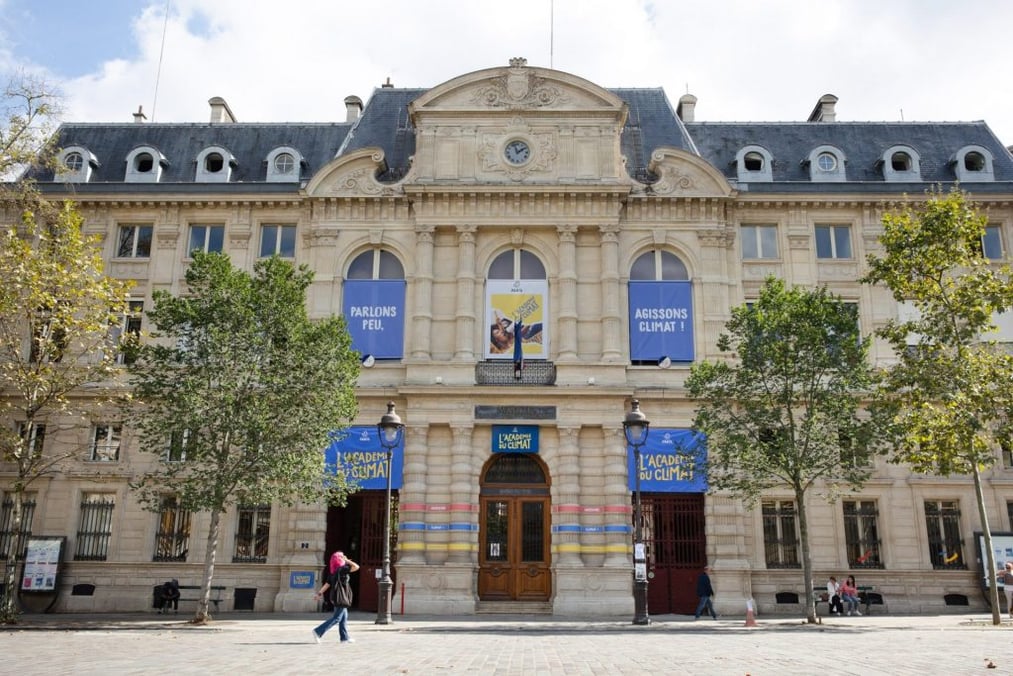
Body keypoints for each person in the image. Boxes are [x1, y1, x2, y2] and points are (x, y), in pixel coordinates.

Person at [311, 551, 360, 644]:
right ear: (340, 559)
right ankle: (318, 631)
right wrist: (347, 561)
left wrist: (319, 593)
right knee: (337, 618)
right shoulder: (343, 569)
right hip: (341, 597)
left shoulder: (333, 572)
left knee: (344, 617)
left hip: (336, 596)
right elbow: (357, 567)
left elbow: (327, 584)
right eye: (342, 557)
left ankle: (344, 638)